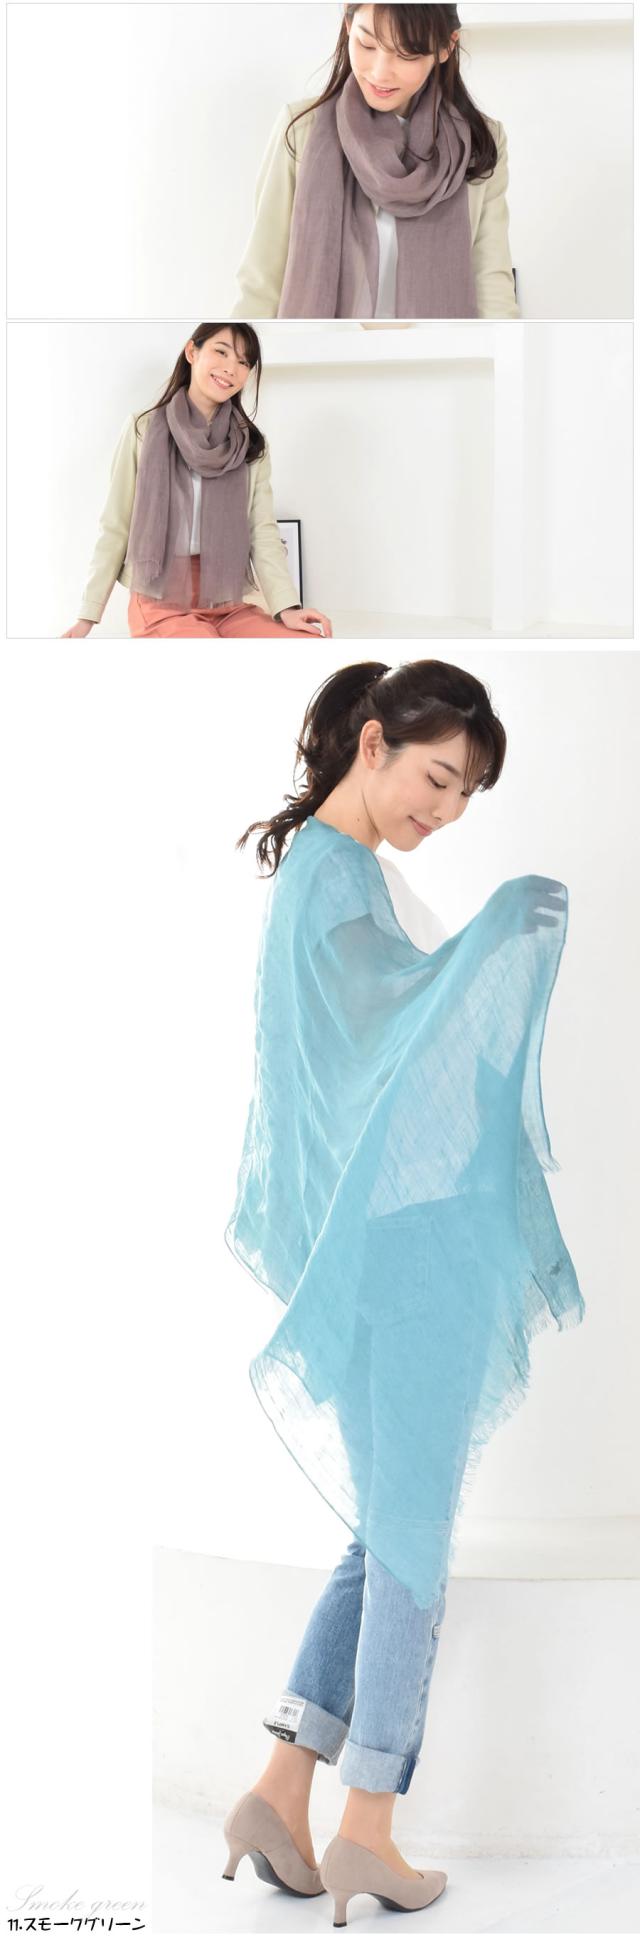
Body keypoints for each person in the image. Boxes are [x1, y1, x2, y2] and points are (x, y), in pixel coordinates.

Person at [221, 659, 585, 1925]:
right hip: (407, 1253)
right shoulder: (334, 882)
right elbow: (388, 1039)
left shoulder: (324, 874)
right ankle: (369, 1822)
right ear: (370, 743)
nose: (448, 808)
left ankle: (279, 1786)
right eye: (436, 777)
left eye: (468, 792)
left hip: (373, 1249)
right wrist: (502, 928)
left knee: (386, 1530)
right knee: (412, 1538)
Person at [232, 4, 519, 320]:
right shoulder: (301, 131)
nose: (380, 72)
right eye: (367, 44)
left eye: (406, 54)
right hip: (319, 350)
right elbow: (260, 287)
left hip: (438, 352)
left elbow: (493, 291)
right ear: (348, 25)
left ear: (445, 47)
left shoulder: (477, 145)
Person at [61, 324, 332, 640]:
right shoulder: (142, 429)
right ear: (192, 352)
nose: (231, 369)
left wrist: (287, 607)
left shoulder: (250, 444)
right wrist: (87, 616)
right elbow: (115, 525)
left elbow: (262, 531)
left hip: (226, 600)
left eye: (243, 362)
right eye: (221, 352)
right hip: (160, 600)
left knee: (308, 643)